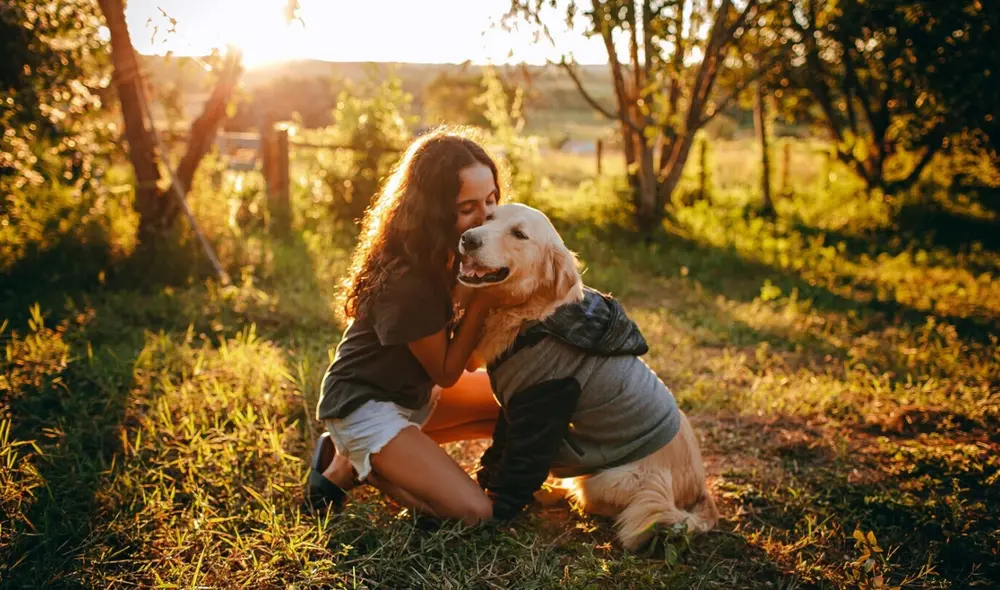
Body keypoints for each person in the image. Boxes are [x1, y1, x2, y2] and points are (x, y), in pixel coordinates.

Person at [305, 128, 502, 525]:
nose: (486, 218)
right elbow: (447, 373)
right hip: (364, 405)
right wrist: (482, 296)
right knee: (475, 514)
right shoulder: (408, 280)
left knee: (517, 400)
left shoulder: (455, 254)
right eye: (468, 208)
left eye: (492, 200)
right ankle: (357, 463)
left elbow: (470, 363)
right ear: (434, 210)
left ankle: (356, 460)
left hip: (413, 397)